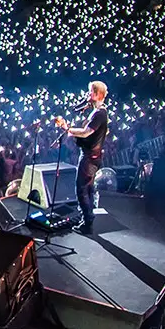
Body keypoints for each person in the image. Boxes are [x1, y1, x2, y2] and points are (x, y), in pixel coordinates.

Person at [56, 80, 110, 234]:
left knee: (81, 189)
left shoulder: (100, 113)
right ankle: (88, 217)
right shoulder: (98, 112)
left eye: (90, 92)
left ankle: (87, 221)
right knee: (89, 188)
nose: (88, 95)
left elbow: (87, 132)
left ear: (98, 94)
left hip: (90, 157)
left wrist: (67, 129)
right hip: (92, 155)